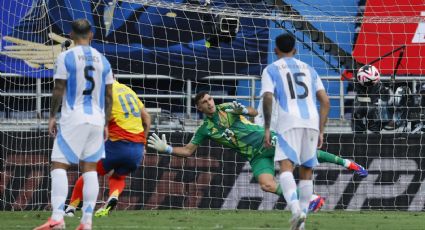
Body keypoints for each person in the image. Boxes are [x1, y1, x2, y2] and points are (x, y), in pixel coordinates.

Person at [148, 92, 364, 214]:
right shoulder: (205, 129)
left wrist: (242, 109)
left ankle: (348, 163)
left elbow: (253, 112)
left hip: (267, 140)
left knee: (303, 156)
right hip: (256, 155)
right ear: (200, 108)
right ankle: (310, 200)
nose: (209, 103)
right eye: (204, 102)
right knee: (267, 184)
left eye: (210, 99)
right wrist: (166, 149)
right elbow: (187, 150)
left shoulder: (226, 108)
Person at [34, 19, 114, 230]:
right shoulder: (103, 60)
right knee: (90, 170)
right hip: (97, 120)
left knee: (59, 165)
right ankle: (86, 222)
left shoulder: (65, 57)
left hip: (74, 118)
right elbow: (108, 95)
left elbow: (59, 88)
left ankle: (57, 218)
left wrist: (52, 116)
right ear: (92, 35)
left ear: (70, 35)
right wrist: (106, 123)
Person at [261, 33, 330, 230]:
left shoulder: (271, 69)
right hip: (311, 121)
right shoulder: (309, 69)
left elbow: (267, 97)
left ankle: (295, 211)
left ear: (275, 50)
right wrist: (321, 130)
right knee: (306, 172)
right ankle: (302, 224)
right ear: (296, 50)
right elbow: (325, 101)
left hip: (288, 120)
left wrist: (267, 127)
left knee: (286, 168)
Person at [64, 80, 151, 217]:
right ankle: (113, 197)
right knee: (118, 176)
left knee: (89, 172)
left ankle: (71, 209)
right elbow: (146, 118)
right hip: (137, 149)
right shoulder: (128, 90)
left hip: (117, 144)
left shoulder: (102, 92)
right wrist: (143, 144)